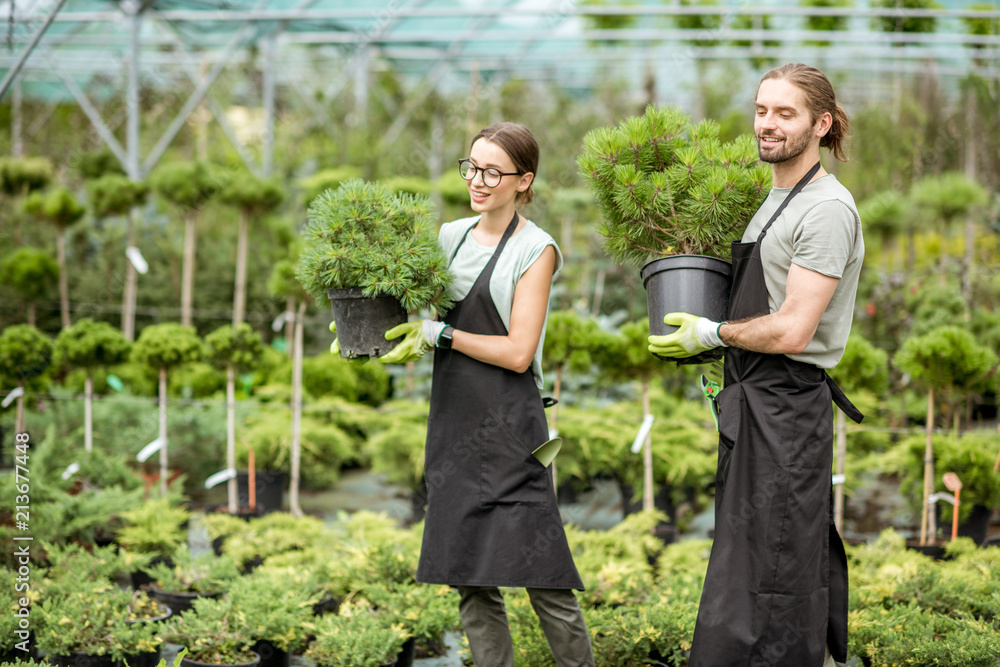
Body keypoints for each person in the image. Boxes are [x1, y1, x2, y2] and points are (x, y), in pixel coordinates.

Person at [648, 63, 865, 666]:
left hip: (787, 410)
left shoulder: (824, 210)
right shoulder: (774, 198)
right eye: (762, 109)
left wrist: (712, 331)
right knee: (747, 566)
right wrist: (720, 359)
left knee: (776, 573)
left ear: (821, 124)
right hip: (752, 400)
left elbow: (795, 327)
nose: (767, 124)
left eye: (785, 113)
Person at [378, 122, 595, 667]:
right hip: (453, 423)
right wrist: (369, 321)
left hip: (512, 429)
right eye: (471, 166)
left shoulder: (536, 249)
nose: (478, 180)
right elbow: (408, 300)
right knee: (467, 573)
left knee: (544, 577)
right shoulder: (449, 236)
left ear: (524, 180)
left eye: (493, 171)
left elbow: (518, 351)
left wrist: (441, 334)